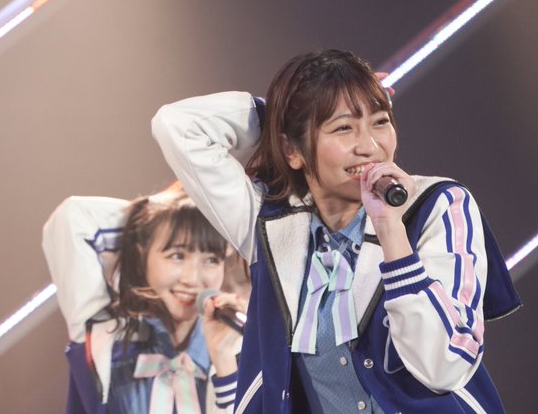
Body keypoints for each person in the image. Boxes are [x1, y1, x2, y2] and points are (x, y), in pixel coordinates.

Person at [151, 49, 521, 413]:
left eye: (380, 122)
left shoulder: (437, 206)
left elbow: (444, 366)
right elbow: (177, 126)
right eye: (344, 127)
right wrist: (292, 111)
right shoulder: (267, 223)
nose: (370, 147)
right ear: (292, 150)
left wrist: (390, 228)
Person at [42, 182, 247, 413]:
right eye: (177, 255)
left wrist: (224, 361)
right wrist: (164, 213)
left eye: (211, 260)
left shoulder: (235, 346)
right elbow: (72, 219)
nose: (192, 278)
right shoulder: (105, 332)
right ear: (143, 254)